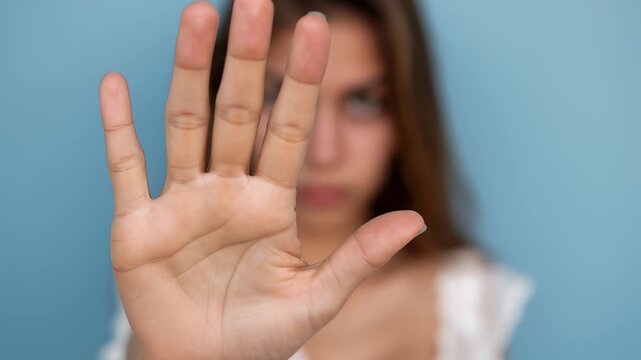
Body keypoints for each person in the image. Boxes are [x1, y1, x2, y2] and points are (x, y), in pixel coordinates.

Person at [98, 0, 533, 359]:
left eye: (364, 102)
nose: (324, 152)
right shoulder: (179, 298)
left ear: (407, 117)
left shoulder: (469, 306)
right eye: (275, 95)